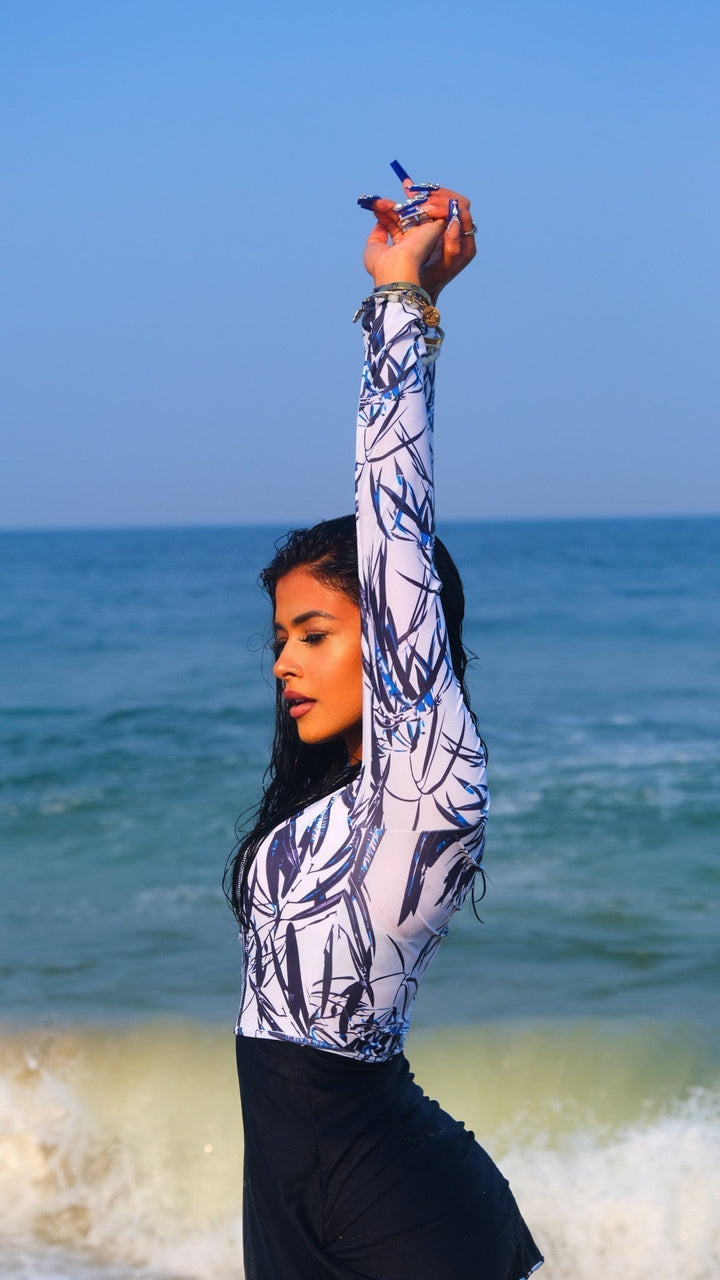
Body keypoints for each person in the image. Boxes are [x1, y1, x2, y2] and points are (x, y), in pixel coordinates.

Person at [226, 171, 544, 1280]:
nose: (284, 662)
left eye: (314, 631)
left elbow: (394, 511)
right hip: (291, 1203)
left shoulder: (429, 772)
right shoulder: (338, 798)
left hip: (402, 1219)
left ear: (393, 630)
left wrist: (402, 298)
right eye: (280, 637)